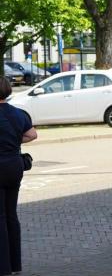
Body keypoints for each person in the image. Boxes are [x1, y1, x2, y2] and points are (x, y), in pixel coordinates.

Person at [0, 77, 37, 276]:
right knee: (11, 215)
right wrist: (15, 140)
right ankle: (15, 265)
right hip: (15, 166)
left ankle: (3, 267)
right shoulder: (18, 113)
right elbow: (33, 135)